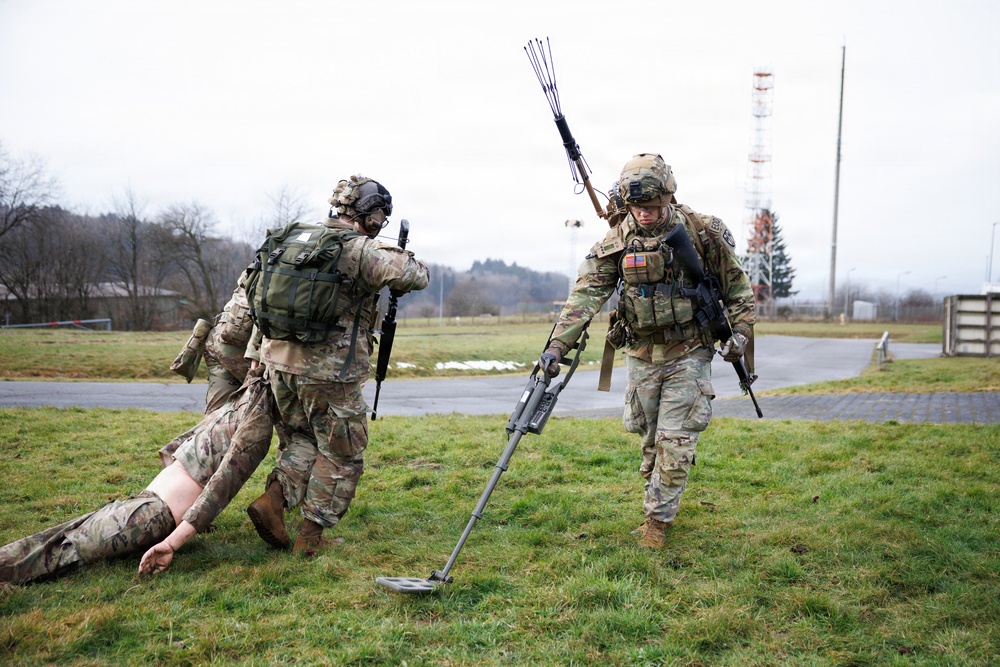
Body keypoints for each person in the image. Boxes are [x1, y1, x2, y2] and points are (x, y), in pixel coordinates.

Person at [539, 153, 755, 549]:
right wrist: (557, 346)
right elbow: (586, 294)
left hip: (690, 350)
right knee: (649, 437)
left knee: (676, 440)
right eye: (638, 207)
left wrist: (739, 334)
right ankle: (661, 491)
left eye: (654, 207)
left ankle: (657, 521)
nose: (646, 214)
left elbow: (739, 290)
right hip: (639, 352)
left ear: (669, 197)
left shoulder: (703, 231)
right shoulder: (618, 238)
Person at [245, 175, 429, 556]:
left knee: (304, 439)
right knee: (343, 453)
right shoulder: (356, 249)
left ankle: (273, 502)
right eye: (381, 217)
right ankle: (310, 538)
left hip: (278, 364)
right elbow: (416, 275)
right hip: (330, 374)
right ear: (372, 216)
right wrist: (397, 253)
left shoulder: (298, 238)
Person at [0, 373, 275, 584]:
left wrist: (171, 544)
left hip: (152, 517)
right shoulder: (246, 394)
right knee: (53, 539)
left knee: (61, 553)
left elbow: (219, 491)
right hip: (142, 506)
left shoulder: (257, 425)